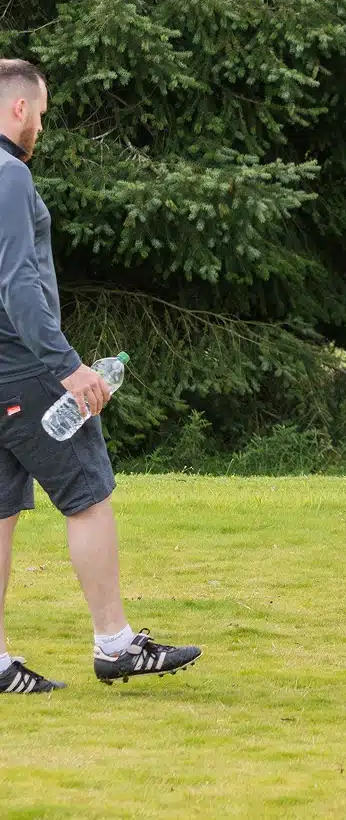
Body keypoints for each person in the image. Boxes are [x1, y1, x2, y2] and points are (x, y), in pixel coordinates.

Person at [0, 59, 201, 692]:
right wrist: (67, 368)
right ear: (19, 109)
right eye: (44, 113)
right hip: (26, 369)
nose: (41, 125)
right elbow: (18, 285)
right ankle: (115, 644)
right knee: (88, 494)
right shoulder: (9, 176)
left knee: (0, 511)